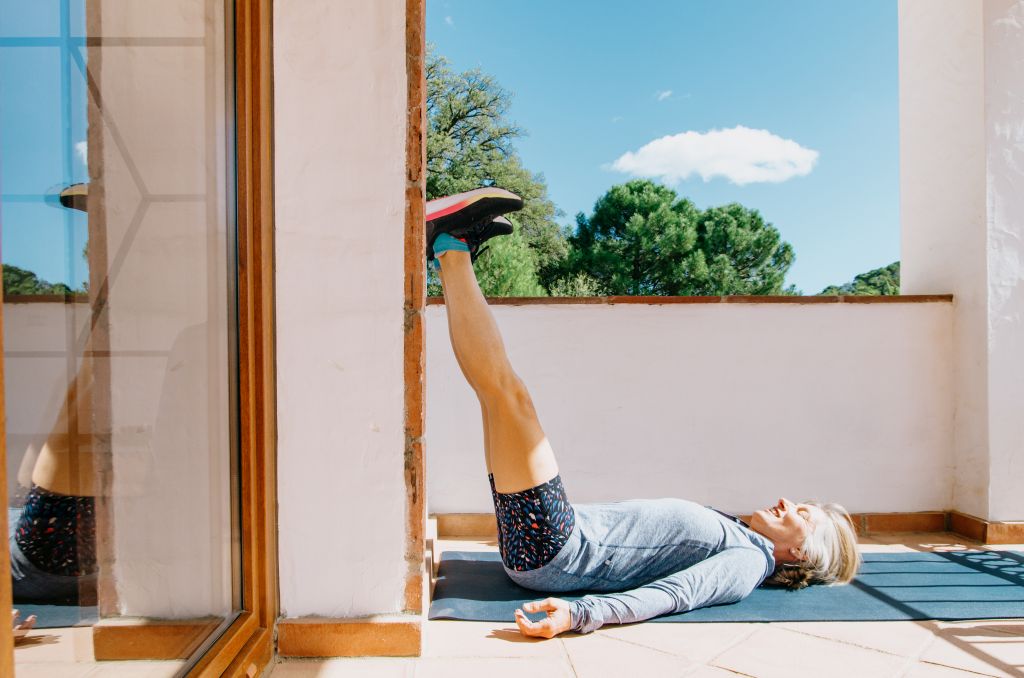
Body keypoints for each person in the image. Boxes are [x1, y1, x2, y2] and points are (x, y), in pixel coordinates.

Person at [426, 187, 863, 639]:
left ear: (802, 554)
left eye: (803, 515)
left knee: (508, 395)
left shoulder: (748, 561)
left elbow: (675, 594)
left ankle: (452, 245)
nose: (788, 503)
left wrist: (580, 615)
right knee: (495, 395)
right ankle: (449, 251)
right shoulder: (739, 535)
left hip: (558, 548)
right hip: (554, 541)